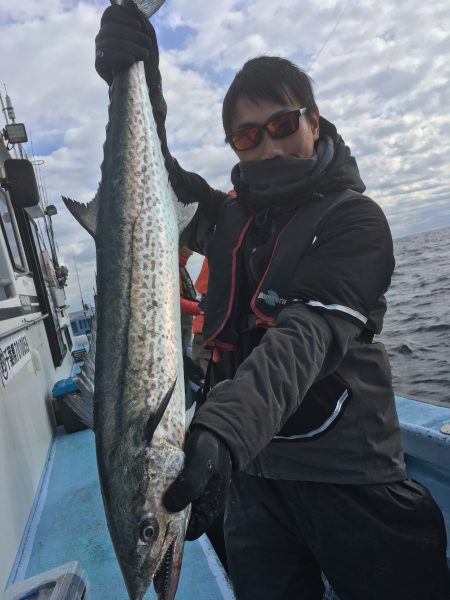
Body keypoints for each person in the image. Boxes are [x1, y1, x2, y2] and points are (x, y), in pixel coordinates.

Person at [94, 7, 450, 599]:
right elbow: (156, 185)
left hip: (346, 475)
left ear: (313, 121)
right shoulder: (230, 218)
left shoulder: (355, 221)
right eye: (247, 136)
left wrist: (220, 433)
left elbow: (302, 341)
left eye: (282, 124)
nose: (268, 145)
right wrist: (136, 74)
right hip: (249, 481)